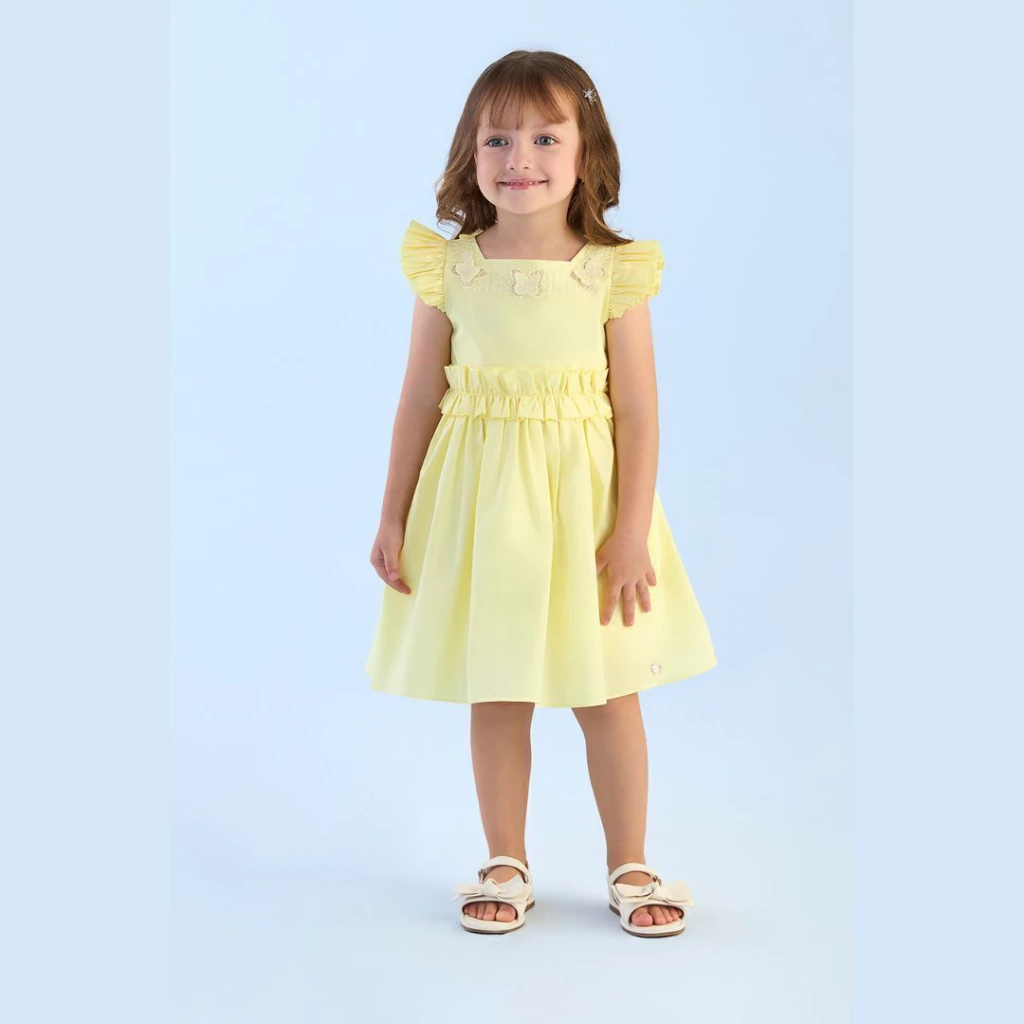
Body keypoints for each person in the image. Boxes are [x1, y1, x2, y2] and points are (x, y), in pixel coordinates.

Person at [364, 50, 717, 937]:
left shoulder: (611, 272)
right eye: (498, 139)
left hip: (587, 510)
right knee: (499, 686)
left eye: (545, 138)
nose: (519, 158)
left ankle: (630, 861)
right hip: (485, 509)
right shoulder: (451, 269)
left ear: (586, 152)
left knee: (608, 690)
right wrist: (393, 512)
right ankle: (505, 859)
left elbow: (637, 410)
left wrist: (630, 531)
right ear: (470, 153)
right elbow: (418, 396)